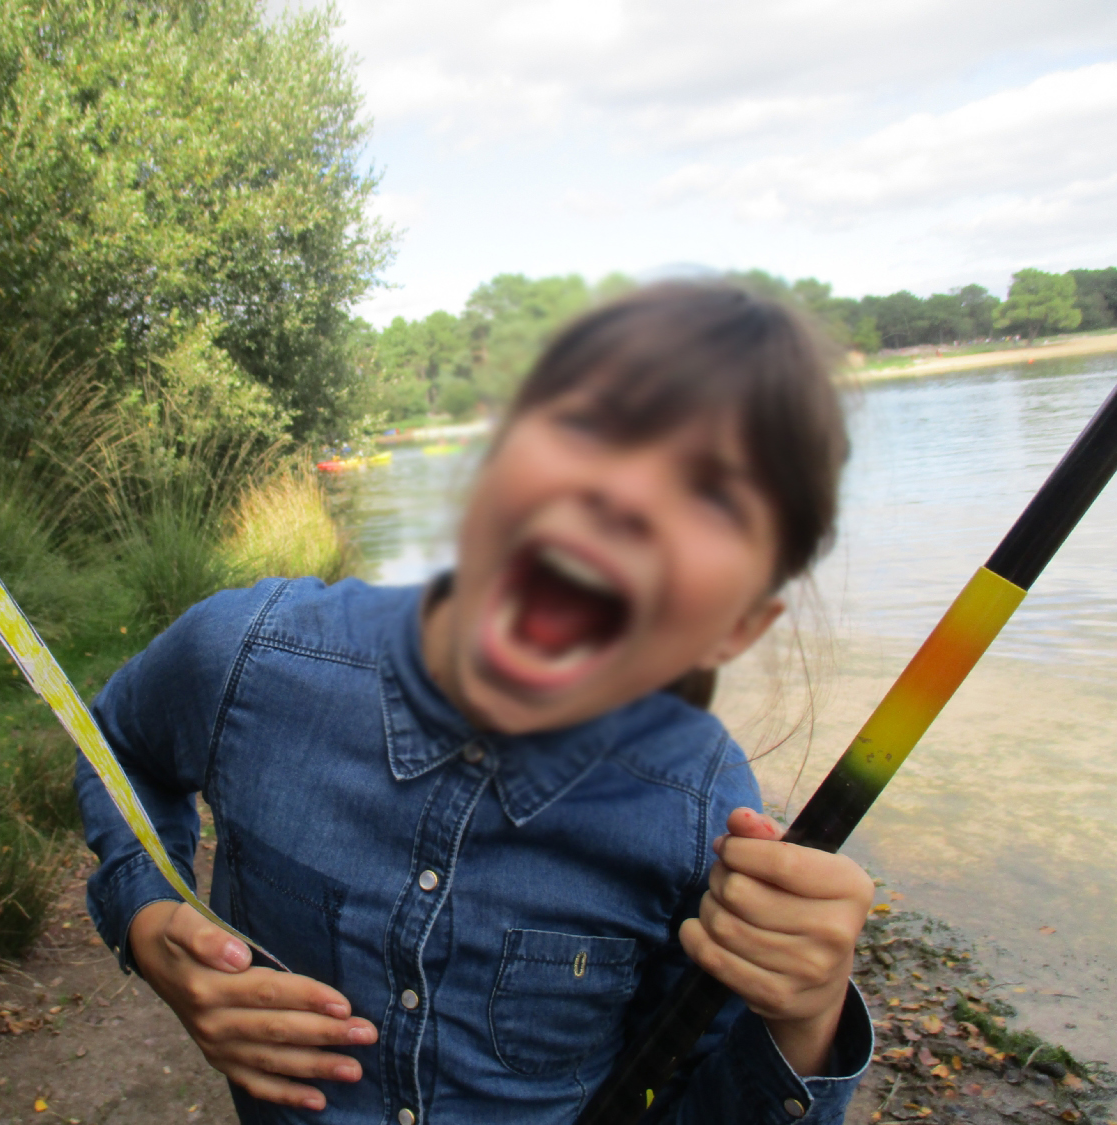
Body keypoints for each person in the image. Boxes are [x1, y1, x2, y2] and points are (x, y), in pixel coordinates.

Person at [75, 282, 874, 1125]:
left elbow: (681, 1099)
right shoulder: (246, 655)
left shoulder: (700, 808)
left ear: (737, 624)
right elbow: (115, 743)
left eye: (714, 499)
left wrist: (803, 1020)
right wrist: (147, 911)